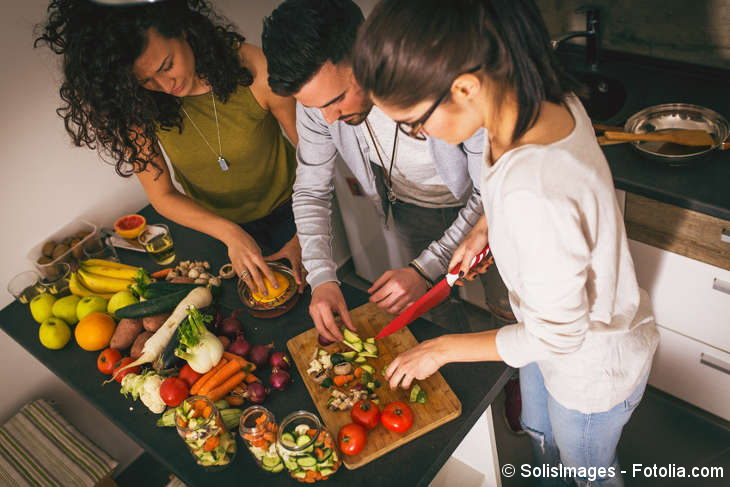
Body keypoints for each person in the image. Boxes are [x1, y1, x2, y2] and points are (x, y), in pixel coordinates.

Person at [352, 1, 660, 485]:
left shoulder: (532, 192)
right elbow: (526, 195)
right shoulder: (535, 99)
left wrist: (442, 349)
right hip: (550, 339)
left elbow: (561, 335)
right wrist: (484, 227)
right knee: (540, 433)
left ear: (465, 88)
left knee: (590, 476)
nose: (417, 134)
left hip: (590, 370)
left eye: (412, 122)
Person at [36, 0, 303, 296]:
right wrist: (229, 233)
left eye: (167, 65)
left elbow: (315, 159)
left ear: (184, 30)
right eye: (145, 79)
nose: (165, 85)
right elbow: (161, 194)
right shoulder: (135, 104)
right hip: (211, 225)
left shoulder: (257, 70)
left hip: (292, 211)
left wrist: (304, 236)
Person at [262, 0, 487, 342]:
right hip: (413, 206)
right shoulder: (319, 108)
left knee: (511, 300)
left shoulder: (439, 77)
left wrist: (426, 269)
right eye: (313, 108)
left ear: (364, 54)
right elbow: (310, 189)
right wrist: (322, 276)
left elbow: (492, 191)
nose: (328, 119)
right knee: (434, 308)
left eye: (335, 100)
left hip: (493, 203)